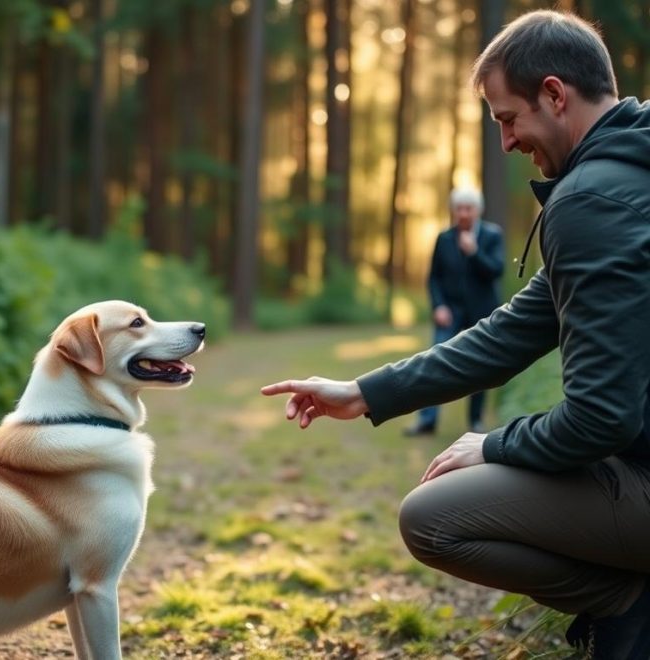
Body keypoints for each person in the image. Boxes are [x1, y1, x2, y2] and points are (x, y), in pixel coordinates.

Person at [262, 10, 650, 658]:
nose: (506, 143)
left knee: (433, 517)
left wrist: (493, 446)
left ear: (555, 94)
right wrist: (364, 392)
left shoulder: (591, 202)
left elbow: (600, 420)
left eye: (507, 118)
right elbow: (510, 331)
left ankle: (628, 602)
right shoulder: (626, 177)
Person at [403, 186, 503, 437]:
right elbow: (434, 278)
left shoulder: (492, 236)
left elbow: (496, 271)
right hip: (450, 312)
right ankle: (427, 420)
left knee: (480, 367)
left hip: (481, 313)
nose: (463, 214)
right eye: (459, 208)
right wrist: (439, 306)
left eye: (468, 208)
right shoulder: (444, 238)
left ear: (478, 210)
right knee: (433, 363)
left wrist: (474, 252)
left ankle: (476, 421)